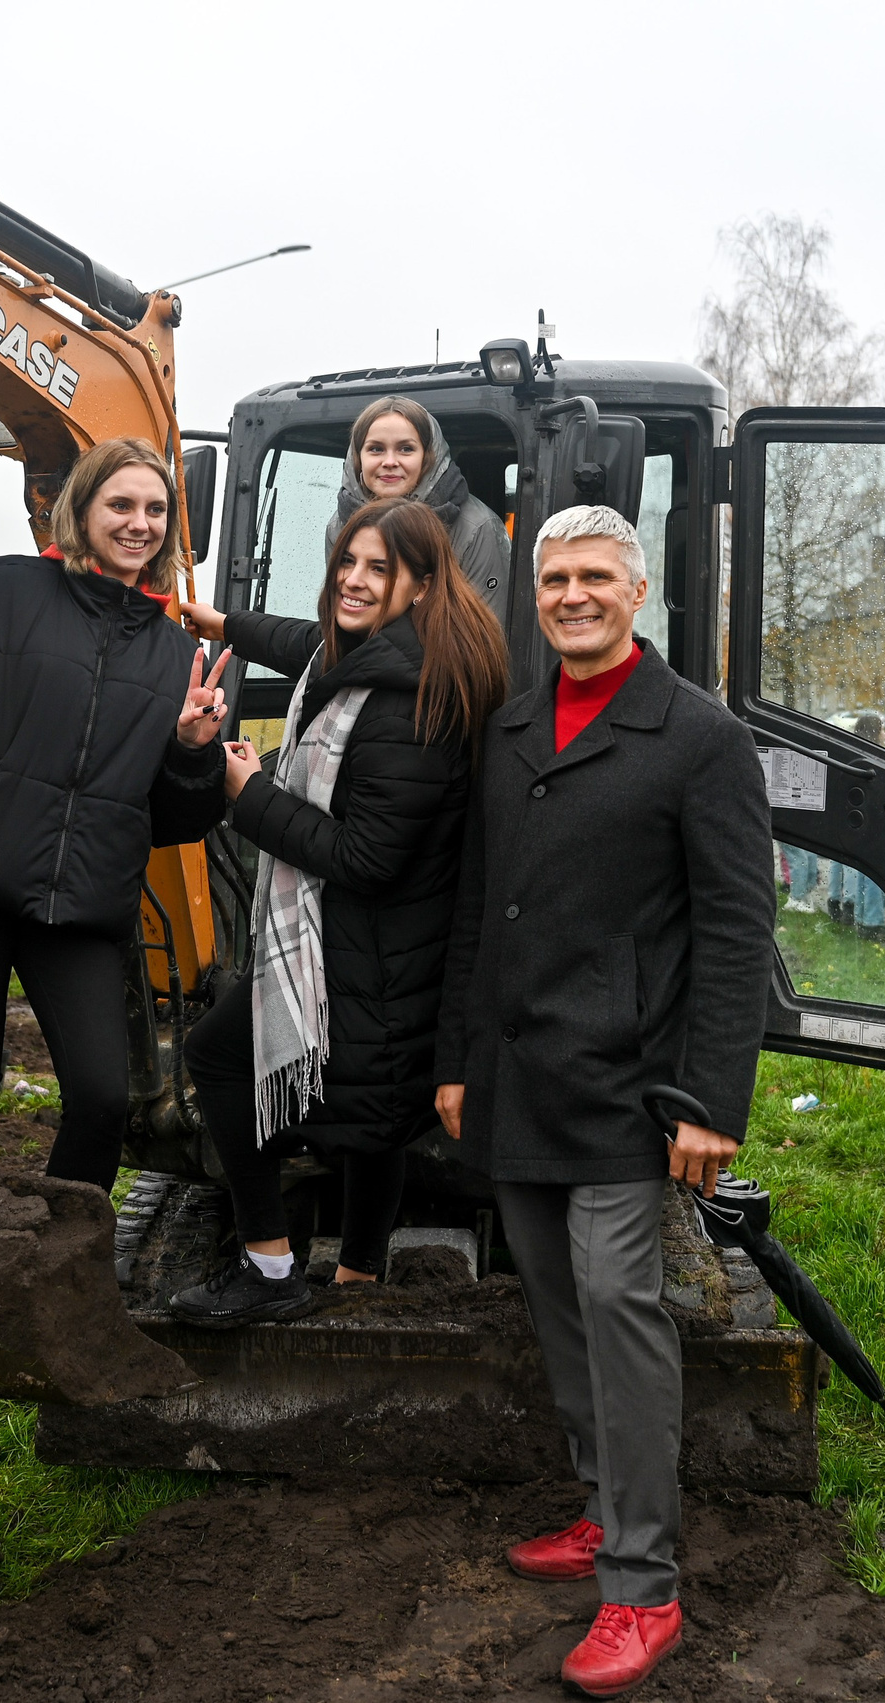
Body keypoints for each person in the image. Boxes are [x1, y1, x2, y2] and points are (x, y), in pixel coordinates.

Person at [432, 504, 774, 1698]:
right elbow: (482, 905)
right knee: (556, 1301)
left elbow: (736, 932)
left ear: (637, 594)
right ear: (536, 595)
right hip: (519, 1075)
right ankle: (598, 1500)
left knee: (621, 1302)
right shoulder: (512, 725)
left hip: (632, 1085)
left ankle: (640, 1581)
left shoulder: (696, 737)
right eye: (555, 578)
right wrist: (459, 1057)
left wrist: (711, 1099)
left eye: (595, 576)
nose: (572, 594)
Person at [164, 496, 508, 1324]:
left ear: (421, 585)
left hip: (367, 949)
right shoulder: (368, 658)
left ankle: (271, 1266)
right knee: (374, 1121)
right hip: (388, 949)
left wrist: (248, 795)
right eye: (346, 563)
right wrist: (221, 620)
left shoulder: (403, 704)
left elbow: (366, 858)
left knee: (217, 1056)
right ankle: (359, 1269)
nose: (354, 581)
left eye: (378, 569)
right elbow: (303, 642)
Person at [0, 437, 232, 1188]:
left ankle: (62, 1250)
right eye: (121, 504)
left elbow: (173, 817)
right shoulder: (4, 590)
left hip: (79, 902)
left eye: (155, 509)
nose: (139, 523)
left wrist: (193, 750)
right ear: (81, 509)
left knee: (103, 1097)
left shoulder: (178, 657)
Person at [334, 396, 510, 606]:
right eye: (376, 449)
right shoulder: (341, 522)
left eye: (406, 449)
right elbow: (337, 609)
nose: (390, 461)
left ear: (428, 457)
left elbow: (486, 631)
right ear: (358, 458)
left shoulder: (476, 527)